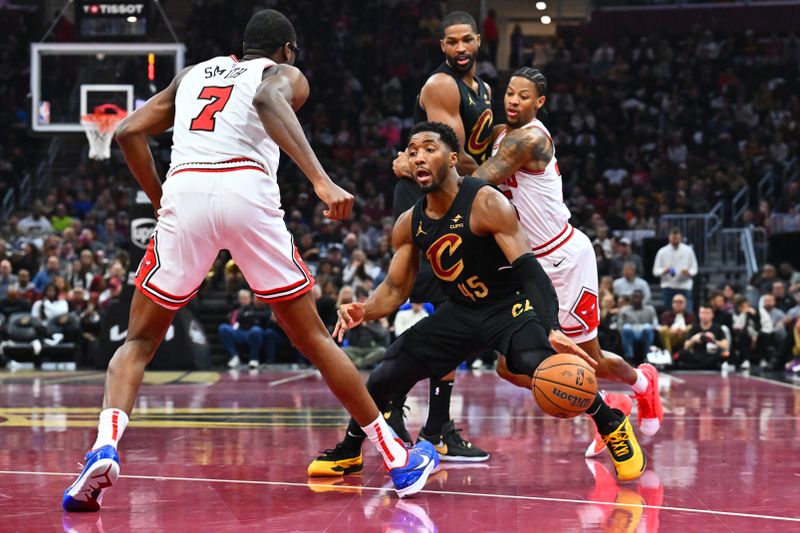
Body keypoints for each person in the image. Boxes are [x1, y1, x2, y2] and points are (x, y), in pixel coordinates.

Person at [62, 10, 436, 512]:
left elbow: (128, 131)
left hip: (187, 188)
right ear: (287, 49)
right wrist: (321, 181)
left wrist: (160, 199)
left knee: (139, 340)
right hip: (244, 187)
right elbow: (265, 98)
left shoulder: (191, 74)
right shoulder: (282, 73)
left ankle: (104, 447)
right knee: (314, 340)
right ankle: (396, 455)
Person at [308, 122, 645, 481]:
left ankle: (612, 424)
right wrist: (365, 308)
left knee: (545, 366)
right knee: (384, 374)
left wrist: (552, 327)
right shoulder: (410, 222)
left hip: (508, 307)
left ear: (453, 158)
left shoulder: (485, 200)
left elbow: (531, 271)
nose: (418, 156)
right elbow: (394, 288)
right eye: (412, 150)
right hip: (462, 311)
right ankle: (350, 449)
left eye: (428, 148)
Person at [468, 68, 662, 458]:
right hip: (525, 264)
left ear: (540, 103)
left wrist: (435, 166)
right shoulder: (503, 132)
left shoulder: (530, 139)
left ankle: (642, 383)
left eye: (524, 96)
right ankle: (608, 406)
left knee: (586, 357)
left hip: (560, 258)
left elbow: (476, 182)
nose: (513, 100)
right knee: (507, 368)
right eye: (509, 93)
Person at [387, 11, 494, 461]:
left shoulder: (484, 89)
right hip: (424, 200)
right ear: (442, 47)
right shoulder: (441, 85)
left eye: (467, 39)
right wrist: (504, 173)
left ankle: (435, 424)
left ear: (478, 41)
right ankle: (392, 405)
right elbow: (453, 155)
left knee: (457, 308)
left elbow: (479, 154)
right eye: (452, 42)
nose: (461, 48)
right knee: (429, 303)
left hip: (456, 200)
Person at [219, 289, 270, 369]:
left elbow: (265, 316)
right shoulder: (238, 308)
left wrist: (249, 315)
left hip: (253, 333)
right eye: (242, 298)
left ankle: (254, 358)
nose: (244, 300)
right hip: (240, 332)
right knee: (223, 328)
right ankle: (234, 356)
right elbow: (239, 318)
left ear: (251, 298)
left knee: (256, 330)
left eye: (246, 298)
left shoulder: (259, 307)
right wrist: (251, 317)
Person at [652, 228, 698, 311]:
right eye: (673, 238)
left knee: (687, 313)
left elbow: (694, 269)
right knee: (669, 315)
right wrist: (664, 271)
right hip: (668, 287)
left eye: (677, 238)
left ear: (680, 238)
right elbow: (655, 271)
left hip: (684, 287)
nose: (675, 240)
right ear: (669, 237)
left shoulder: (688, 250)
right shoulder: (662, 251)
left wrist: (689, 272)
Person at [676, 305, 729, 370]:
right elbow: (685, 346)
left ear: (712, 315)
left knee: (723, 354)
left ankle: (696, 366)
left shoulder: (718, 328)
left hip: (711, 355)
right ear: (699, 314)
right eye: (702, 313)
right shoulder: (694, 327)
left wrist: (713, 340)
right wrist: (694, 339)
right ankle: (705, 366)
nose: (704, 316)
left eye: (707, 313)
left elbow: (726, 346)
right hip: (697, 356)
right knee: (682, 353)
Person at [618, 290, 658, 365]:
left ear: (642, 298)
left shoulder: (650, 309)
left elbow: (655, 324)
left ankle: (646, 356)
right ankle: (629, 358)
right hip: (630, 333)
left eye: (638, 297)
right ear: (631, 299)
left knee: (648, 327)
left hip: (644, 333)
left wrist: (651, 328)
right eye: (634, 297)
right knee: (626, 328)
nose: (636, 299)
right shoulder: (624, 310)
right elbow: (620, 326)